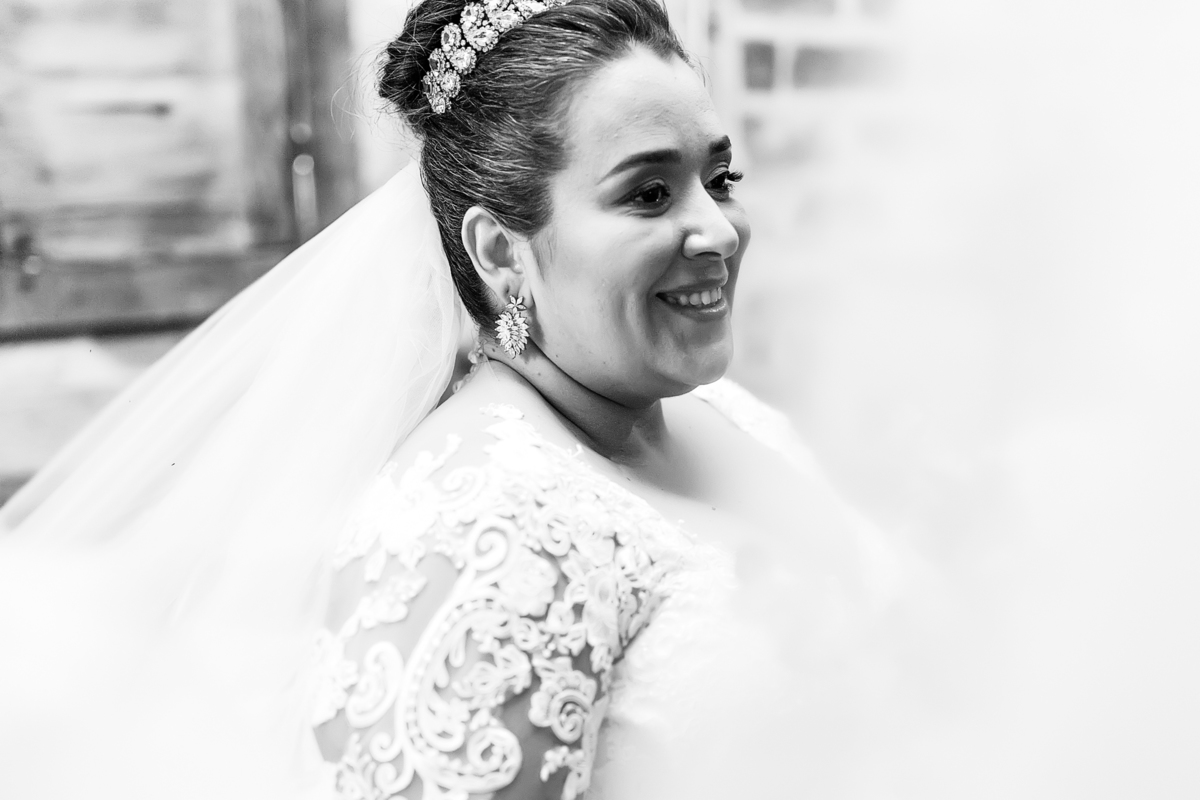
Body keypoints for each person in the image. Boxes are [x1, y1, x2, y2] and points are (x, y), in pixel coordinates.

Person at [0, 0, 898, 797]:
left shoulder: (730, 412)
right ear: (501, 253)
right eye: (650, 193)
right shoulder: (487, 533)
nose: (716, 230)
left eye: (720, 179)